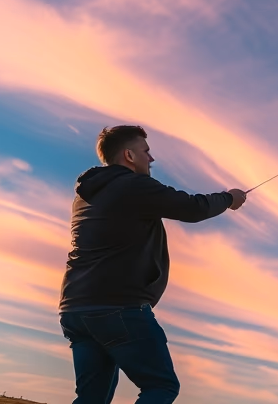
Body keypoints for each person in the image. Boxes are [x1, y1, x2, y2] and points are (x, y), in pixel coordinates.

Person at [59, 125, 246, 404]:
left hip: (75, 308)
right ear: (129, 155)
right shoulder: (133, 185)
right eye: (146, 151)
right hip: (118, 307)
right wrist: (229, 198)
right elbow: (192, 208)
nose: (152, 158)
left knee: (91, 398)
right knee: (161, 386)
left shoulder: (85, 196)